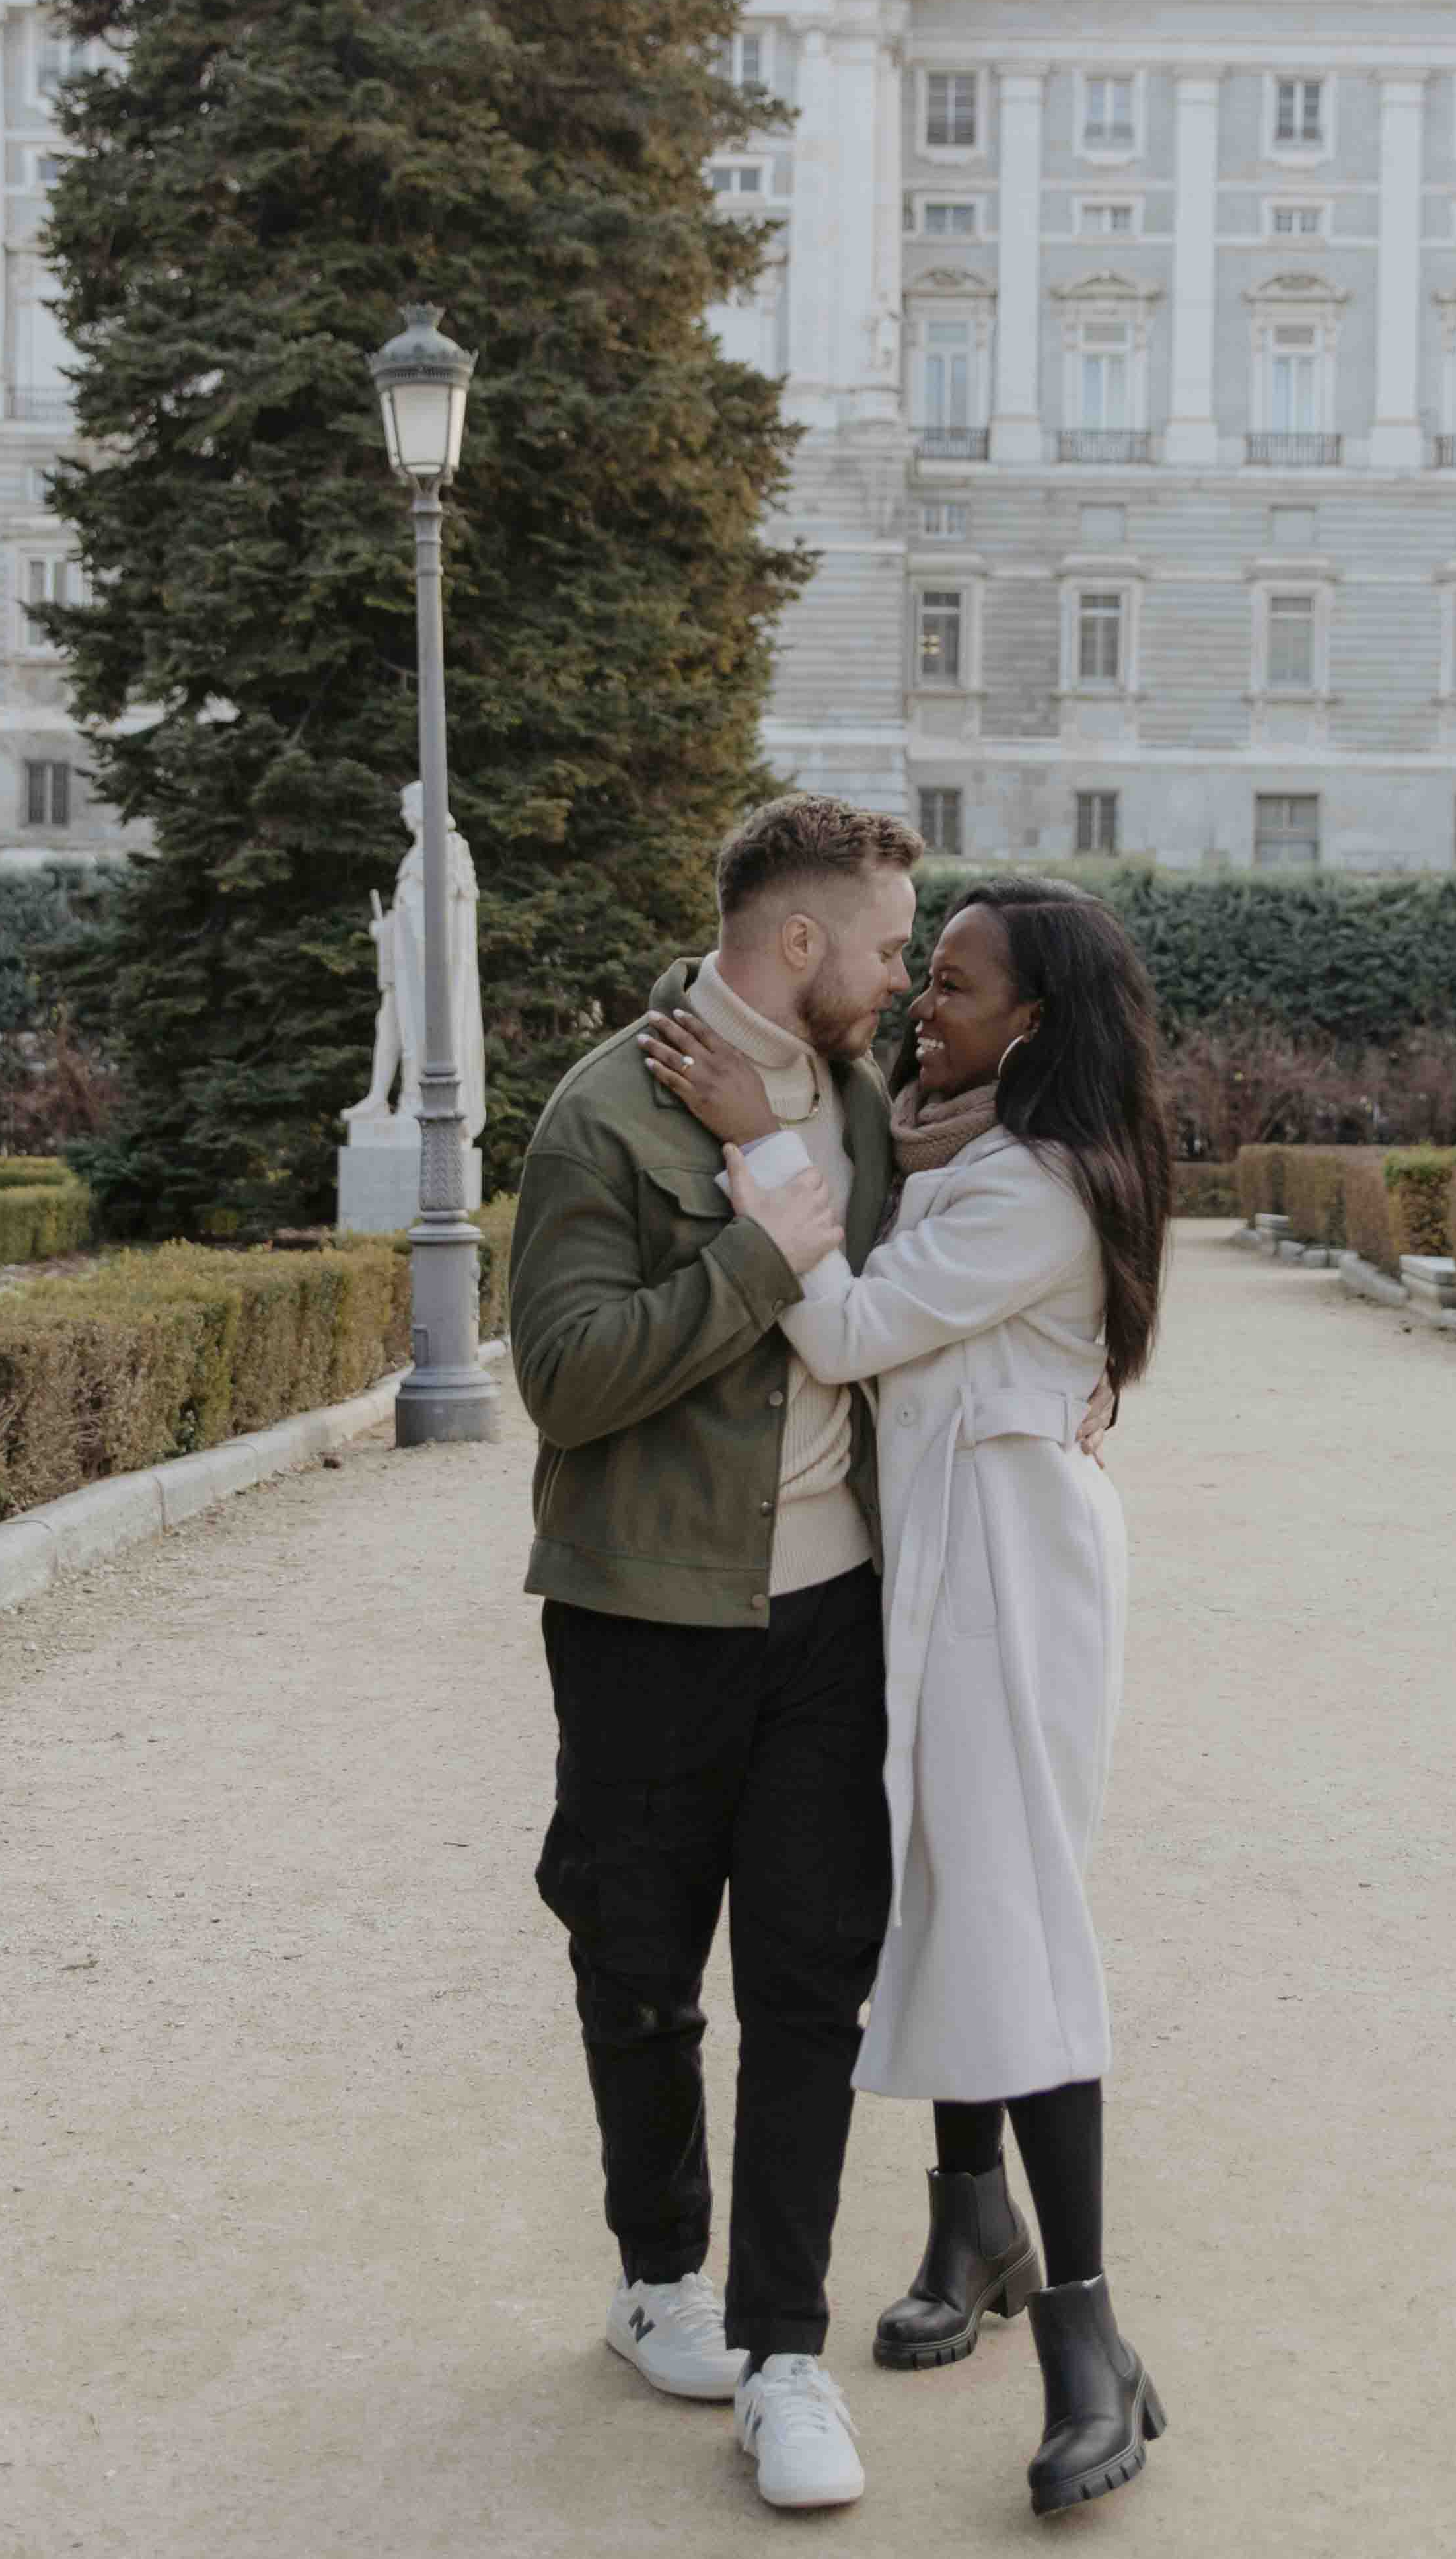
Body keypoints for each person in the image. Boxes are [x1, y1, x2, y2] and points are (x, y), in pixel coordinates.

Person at [641, 875, 1177, 2519]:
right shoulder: (958, 1149)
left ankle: (1092, 2342)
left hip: (1009, 1574)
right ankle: (971, 2220)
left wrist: (760, 1147)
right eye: (922, 972)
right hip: (938, 1559)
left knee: (1017, 1914)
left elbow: (852, 1332)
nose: (920, 1005)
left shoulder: (1038, 1185)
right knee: (945, 1889)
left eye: (954, 985)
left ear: (1035, 1021)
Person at [504, 794, 924, 2513]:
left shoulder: (866, 1108)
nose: (900, 978)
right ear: (799, 940)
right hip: (645, 1613)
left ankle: (785, 2353)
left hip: (836, 1615)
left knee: (812, 1978)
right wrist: (757, 1257)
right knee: (638, 1959)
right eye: (886, 947)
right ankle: (656, 2274)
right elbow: (562, 1378)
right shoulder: (603, 1110)